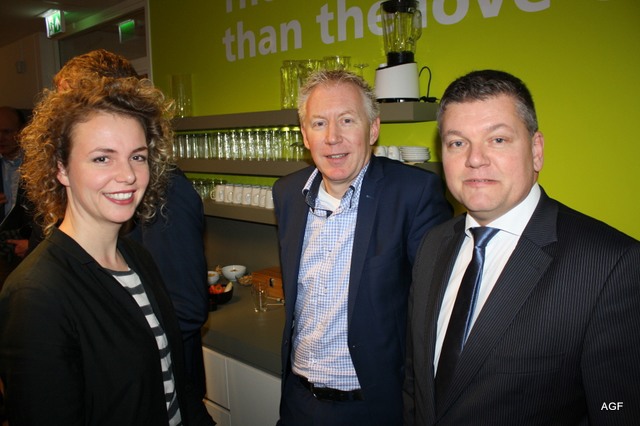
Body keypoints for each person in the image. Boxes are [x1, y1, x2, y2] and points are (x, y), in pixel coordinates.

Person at [403, 69, 640, 425]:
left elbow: (618, 409)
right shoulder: (433, 244)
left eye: (497, 139)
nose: (475, 159)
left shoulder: (610, 265)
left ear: (536, 150)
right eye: (457, 143)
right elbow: (415, 382)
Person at [0, 75, 214, 425]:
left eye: (138, 157)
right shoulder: (36, 293)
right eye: (102, 158)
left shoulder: (137, 258)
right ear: (61, 168)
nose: (128, 175)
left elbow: (174, 379)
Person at [273, 69, 452, 426]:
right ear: (305, 135)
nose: (332, 137)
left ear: (373, 129)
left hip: (371, 407)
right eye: (319, 123)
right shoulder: (288, 193)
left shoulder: (414, 194)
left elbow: (435, 313)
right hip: (298, 401)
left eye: (347, 120)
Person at [54, 49, 210, 398]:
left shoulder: (163, 187)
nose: (60, 113)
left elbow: (184, 308)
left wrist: (112, 371)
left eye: (69, 97)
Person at [0, 106, 30, 285]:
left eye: (6, 132)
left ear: (22, 132)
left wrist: (34, 243)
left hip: (30, 250)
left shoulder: (40, 163)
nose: (1, 138)